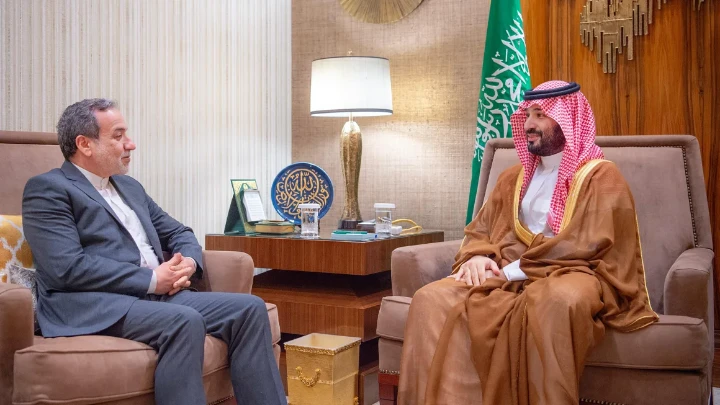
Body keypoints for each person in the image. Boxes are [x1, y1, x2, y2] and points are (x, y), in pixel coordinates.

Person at [397, 81, 657, 405]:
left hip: (572, 272)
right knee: (430, 298)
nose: (529, 124)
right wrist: (476, 257)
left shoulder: (601, 177)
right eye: (528, 114)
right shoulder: (513, 177)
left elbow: (588, 246)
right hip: (504, 270)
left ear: (567, 120)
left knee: (558, 302)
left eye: (540, 115)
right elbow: (481, 230)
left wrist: (516, 271)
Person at [22, 98, 287, 405]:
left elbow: (179, 232)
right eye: (118, 136)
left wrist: (187, 262)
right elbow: (65, 267)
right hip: (96, 304)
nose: (130, 144)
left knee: (249, 309)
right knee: (183, 320)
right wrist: (150, 279)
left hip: (156, 296)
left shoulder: (128, 187)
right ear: (85, 144)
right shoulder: (48, 189)